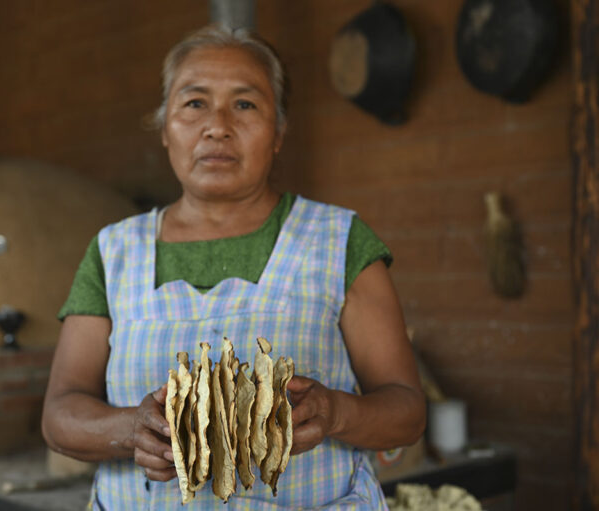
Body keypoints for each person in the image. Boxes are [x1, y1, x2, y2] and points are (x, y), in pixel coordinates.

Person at [42, 24, 426, 510]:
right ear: (165, 129)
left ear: (279, 133)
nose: (218, 125)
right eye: (194, 103)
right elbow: (60, 413)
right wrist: (130, 430)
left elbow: (407, 412)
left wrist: (337, 413)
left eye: (245, 104)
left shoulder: (338, 241)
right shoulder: (113, 252)